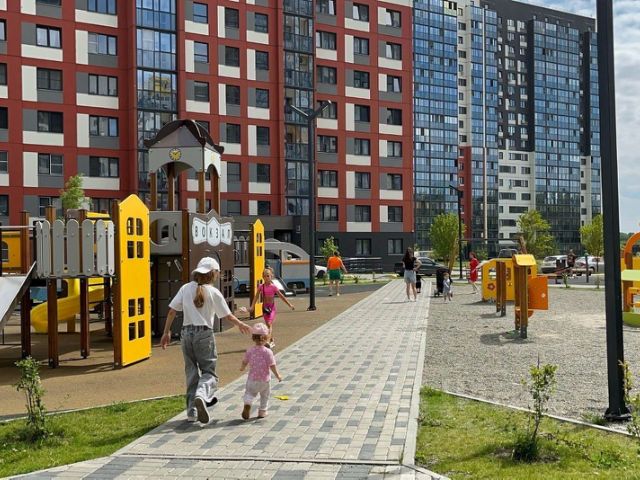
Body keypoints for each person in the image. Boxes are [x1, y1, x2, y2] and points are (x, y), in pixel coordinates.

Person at [161, 257, 251, 425]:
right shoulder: (213, 292)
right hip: (204, 334)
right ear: (213, 273)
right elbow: (227, 316)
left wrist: (166, 332)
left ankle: (191, 412)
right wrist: (240, 324)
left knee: (191, 372)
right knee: (209, 373)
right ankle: (202, 395)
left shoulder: (185, 288)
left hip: (186, 334)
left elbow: (172, 311)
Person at [240, 323, 283, 420]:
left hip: (252, 379)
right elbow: (272, 365)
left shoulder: (250, 350)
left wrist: (242, 368)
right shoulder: (268, 352)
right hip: (264, 379)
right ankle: (262, 411)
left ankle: (248, 403)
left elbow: (244, 361)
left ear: (253, 338)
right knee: (265, 395)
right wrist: (278, 375)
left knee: (249, 393)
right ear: (266, 338)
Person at [248, 267, 295, 349]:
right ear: (263, 277)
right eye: (265, 276)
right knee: (268, 325)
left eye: (268, 276)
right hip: (265, 308)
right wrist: (252, 306)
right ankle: (272, 340)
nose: (266, 277)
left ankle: (267, 341)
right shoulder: (261, 287)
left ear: (271, 276)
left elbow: (281, 296)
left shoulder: (273, 287)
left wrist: (289, 304)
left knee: (269, 325)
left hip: (272, 308)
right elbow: (256, 297)